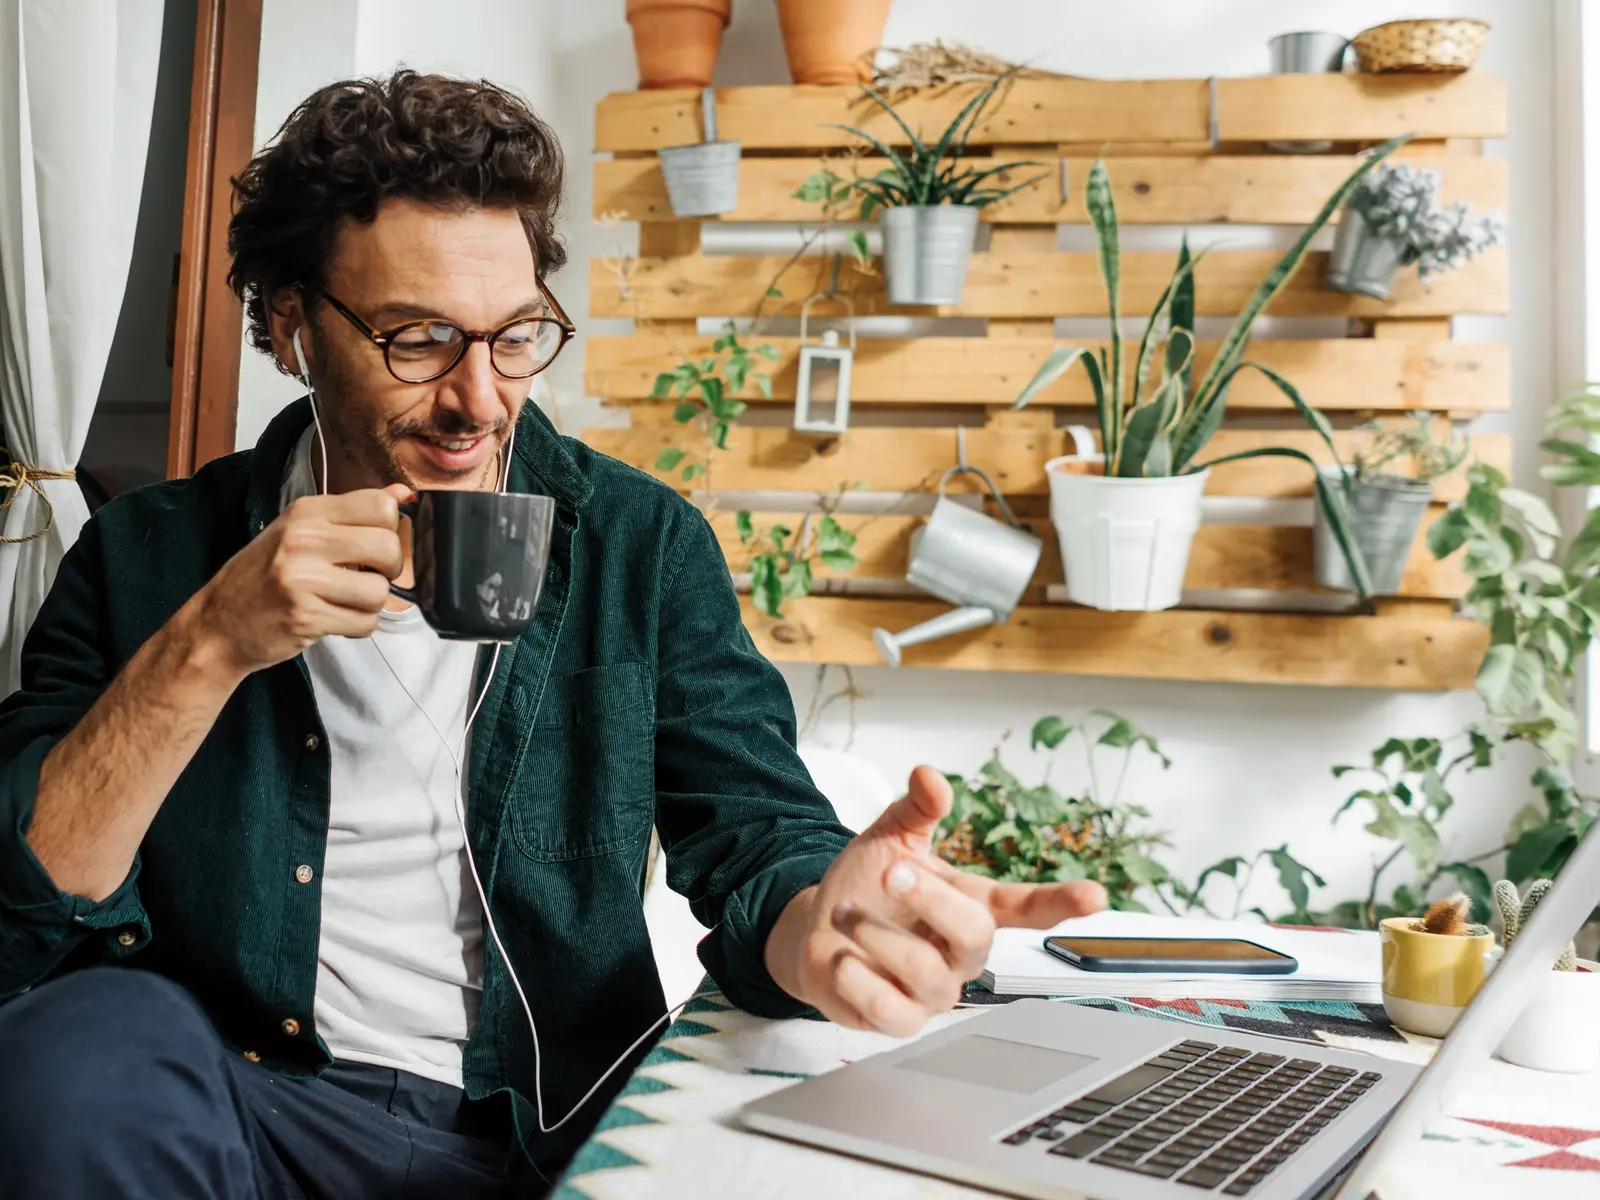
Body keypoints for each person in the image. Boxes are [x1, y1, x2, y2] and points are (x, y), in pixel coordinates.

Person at [0, 71, 1106, 1198]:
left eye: (517, 335)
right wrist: (212, 642)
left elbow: (755, 835)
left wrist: (821, 920)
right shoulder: (148, 557)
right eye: (418, 337)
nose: (479, 399)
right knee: (73, 1050)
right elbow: (18, 916)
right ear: (292, 326)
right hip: (235, 1108)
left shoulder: (636, 543)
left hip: (529, 1132)